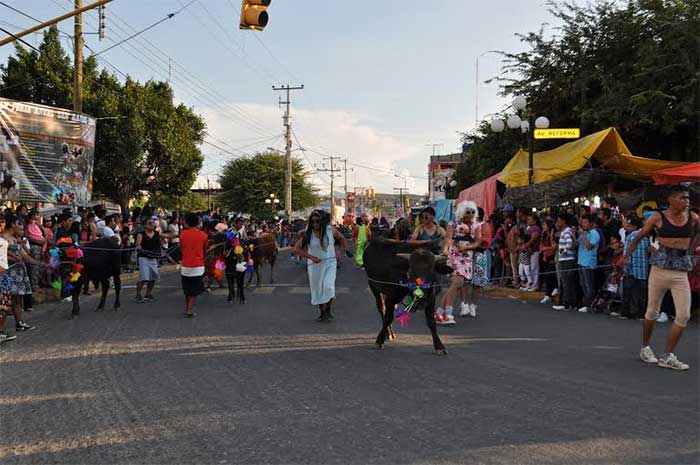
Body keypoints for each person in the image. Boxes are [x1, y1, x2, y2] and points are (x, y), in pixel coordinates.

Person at [620, 185, 699, 371]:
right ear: (670, 200)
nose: (686, 202)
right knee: (652, 312)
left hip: (680, 271)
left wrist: (695, 249)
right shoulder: (657, 217)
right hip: (659, 269)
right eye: (682, 198)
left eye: (688, 198)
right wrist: (625, 258)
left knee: (684, 315)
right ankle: (645, 347)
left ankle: (667, 355)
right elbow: (638, 237)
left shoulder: (693, 218)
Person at [294, 210, 351, 322]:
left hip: (330, 263)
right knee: (318, 289)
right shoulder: (308, 233)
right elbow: (296, 249)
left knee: (328, 286)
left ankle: (327, 310)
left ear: (323, 222)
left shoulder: (331, 231)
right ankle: (322, 312)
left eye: (318, 221)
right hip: (315, 266)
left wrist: (347, 250)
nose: (315, 224)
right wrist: (311, 257)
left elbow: (341, 238)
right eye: (313, 222)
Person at [440, 200, 482, 323]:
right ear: (462, 212)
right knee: (457, 282)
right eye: (468, 211)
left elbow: (478, 241)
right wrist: (445, 249)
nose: (470, 214)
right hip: (455, 254)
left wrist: (468, 247)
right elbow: (448, 238)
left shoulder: (477, 225)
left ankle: (440, 312)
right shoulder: (453, 222)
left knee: (456, 284)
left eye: (472, 211)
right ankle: (448, 313)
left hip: (467, 256)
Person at [1, 215, 37, 332]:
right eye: (19, 224)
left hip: (18, 272)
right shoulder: (3, 238)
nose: (21, 227)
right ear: (12, 224)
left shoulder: (14, 239)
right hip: (8, 273)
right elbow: (3, 255)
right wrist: (14, 259)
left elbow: (24, 256)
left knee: (17, 299)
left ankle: (19, 323)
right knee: (5, 301)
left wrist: (39, 263)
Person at [179, 213, 208, 318]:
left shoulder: (182, 234)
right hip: (198, 265)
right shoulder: (203, 235)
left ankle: (188, 308)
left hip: (185, 265)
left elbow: (181, 248)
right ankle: (189, 310)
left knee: (187, 289)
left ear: (187, 222)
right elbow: (205, 250)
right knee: (194, 290)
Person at [553, 213, 578, 311]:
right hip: (569, 259)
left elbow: (570, 243)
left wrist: (563, 250)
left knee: (566, 282)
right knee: (568, 282)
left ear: (564, 221)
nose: (558, 223)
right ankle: (571, 302)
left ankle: (565, 302)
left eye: (559, 221)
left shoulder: (566, 232)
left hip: (566, 260)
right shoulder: (568, 231)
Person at [135, 218, 164, 303]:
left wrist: (178, 235)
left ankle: (148, 294)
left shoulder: (156, 234)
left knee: (153, 277)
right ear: (145, 226)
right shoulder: (141, 234)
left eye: (153, 223)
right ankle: (138, 294)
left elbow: (167, 236)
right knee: (144, 278)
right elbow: (138, 243)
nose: (152, 224)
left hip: (153, 257)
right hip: (143, 258)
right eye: (149, 223)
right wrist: (139, 246)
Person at [576, 215, 600, 313]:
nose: (583, 224)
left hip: (589, 262)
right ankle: (586, 303)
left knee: (589, 285)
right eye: (582, 222)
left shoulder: (595, 233)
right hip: (581, 261)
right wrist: (574, 235)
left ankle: (589, 305)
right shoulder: (584, 233)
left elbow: (589, 246)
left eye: (585, 222)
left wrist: (583, 235)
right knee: (583, 284)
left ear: (591, 223)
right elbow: (576, 244)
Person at [539, 219, 558, 304]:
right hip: (545, 256)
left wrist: (545, 248)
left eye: (544, 225)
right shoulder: (543, 234)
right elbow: (541, 246)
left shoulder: (552, 233)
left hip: (552, 256)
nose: (543, 227)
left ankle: (552, 290)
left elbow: (554, 246)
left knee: (549, 274)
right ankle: (549, 294)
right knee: (547, 275)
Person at [524, 213, 541, 291]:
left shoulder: (536, 228)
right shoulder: (528, 228)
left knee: (534, 268)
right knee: (528, 268)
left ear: (534, 221)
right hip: (528, 250)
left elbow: (532, 239)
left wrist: (526, 246)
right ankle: (530, 283)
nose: (528, 221)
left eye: (529, 219)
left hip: (534, 250)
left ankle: (535, 285)